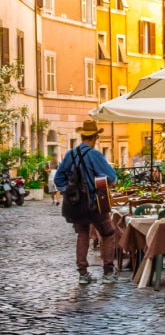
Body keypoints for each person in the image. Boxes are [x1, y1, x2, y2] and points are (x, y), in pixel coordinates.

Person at [54, 119, 119, 285]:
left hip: (76, 204)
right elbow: (111, 177)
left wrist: (68, 191)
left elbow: (58, 179)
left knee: (82, 235)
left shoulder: (70, 154)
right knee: (108, 233)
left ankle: (83, 273)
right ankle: (108, 272)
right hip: (95, 203)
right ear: (95, 138)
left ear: (82, 136)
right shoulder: (95, 155)